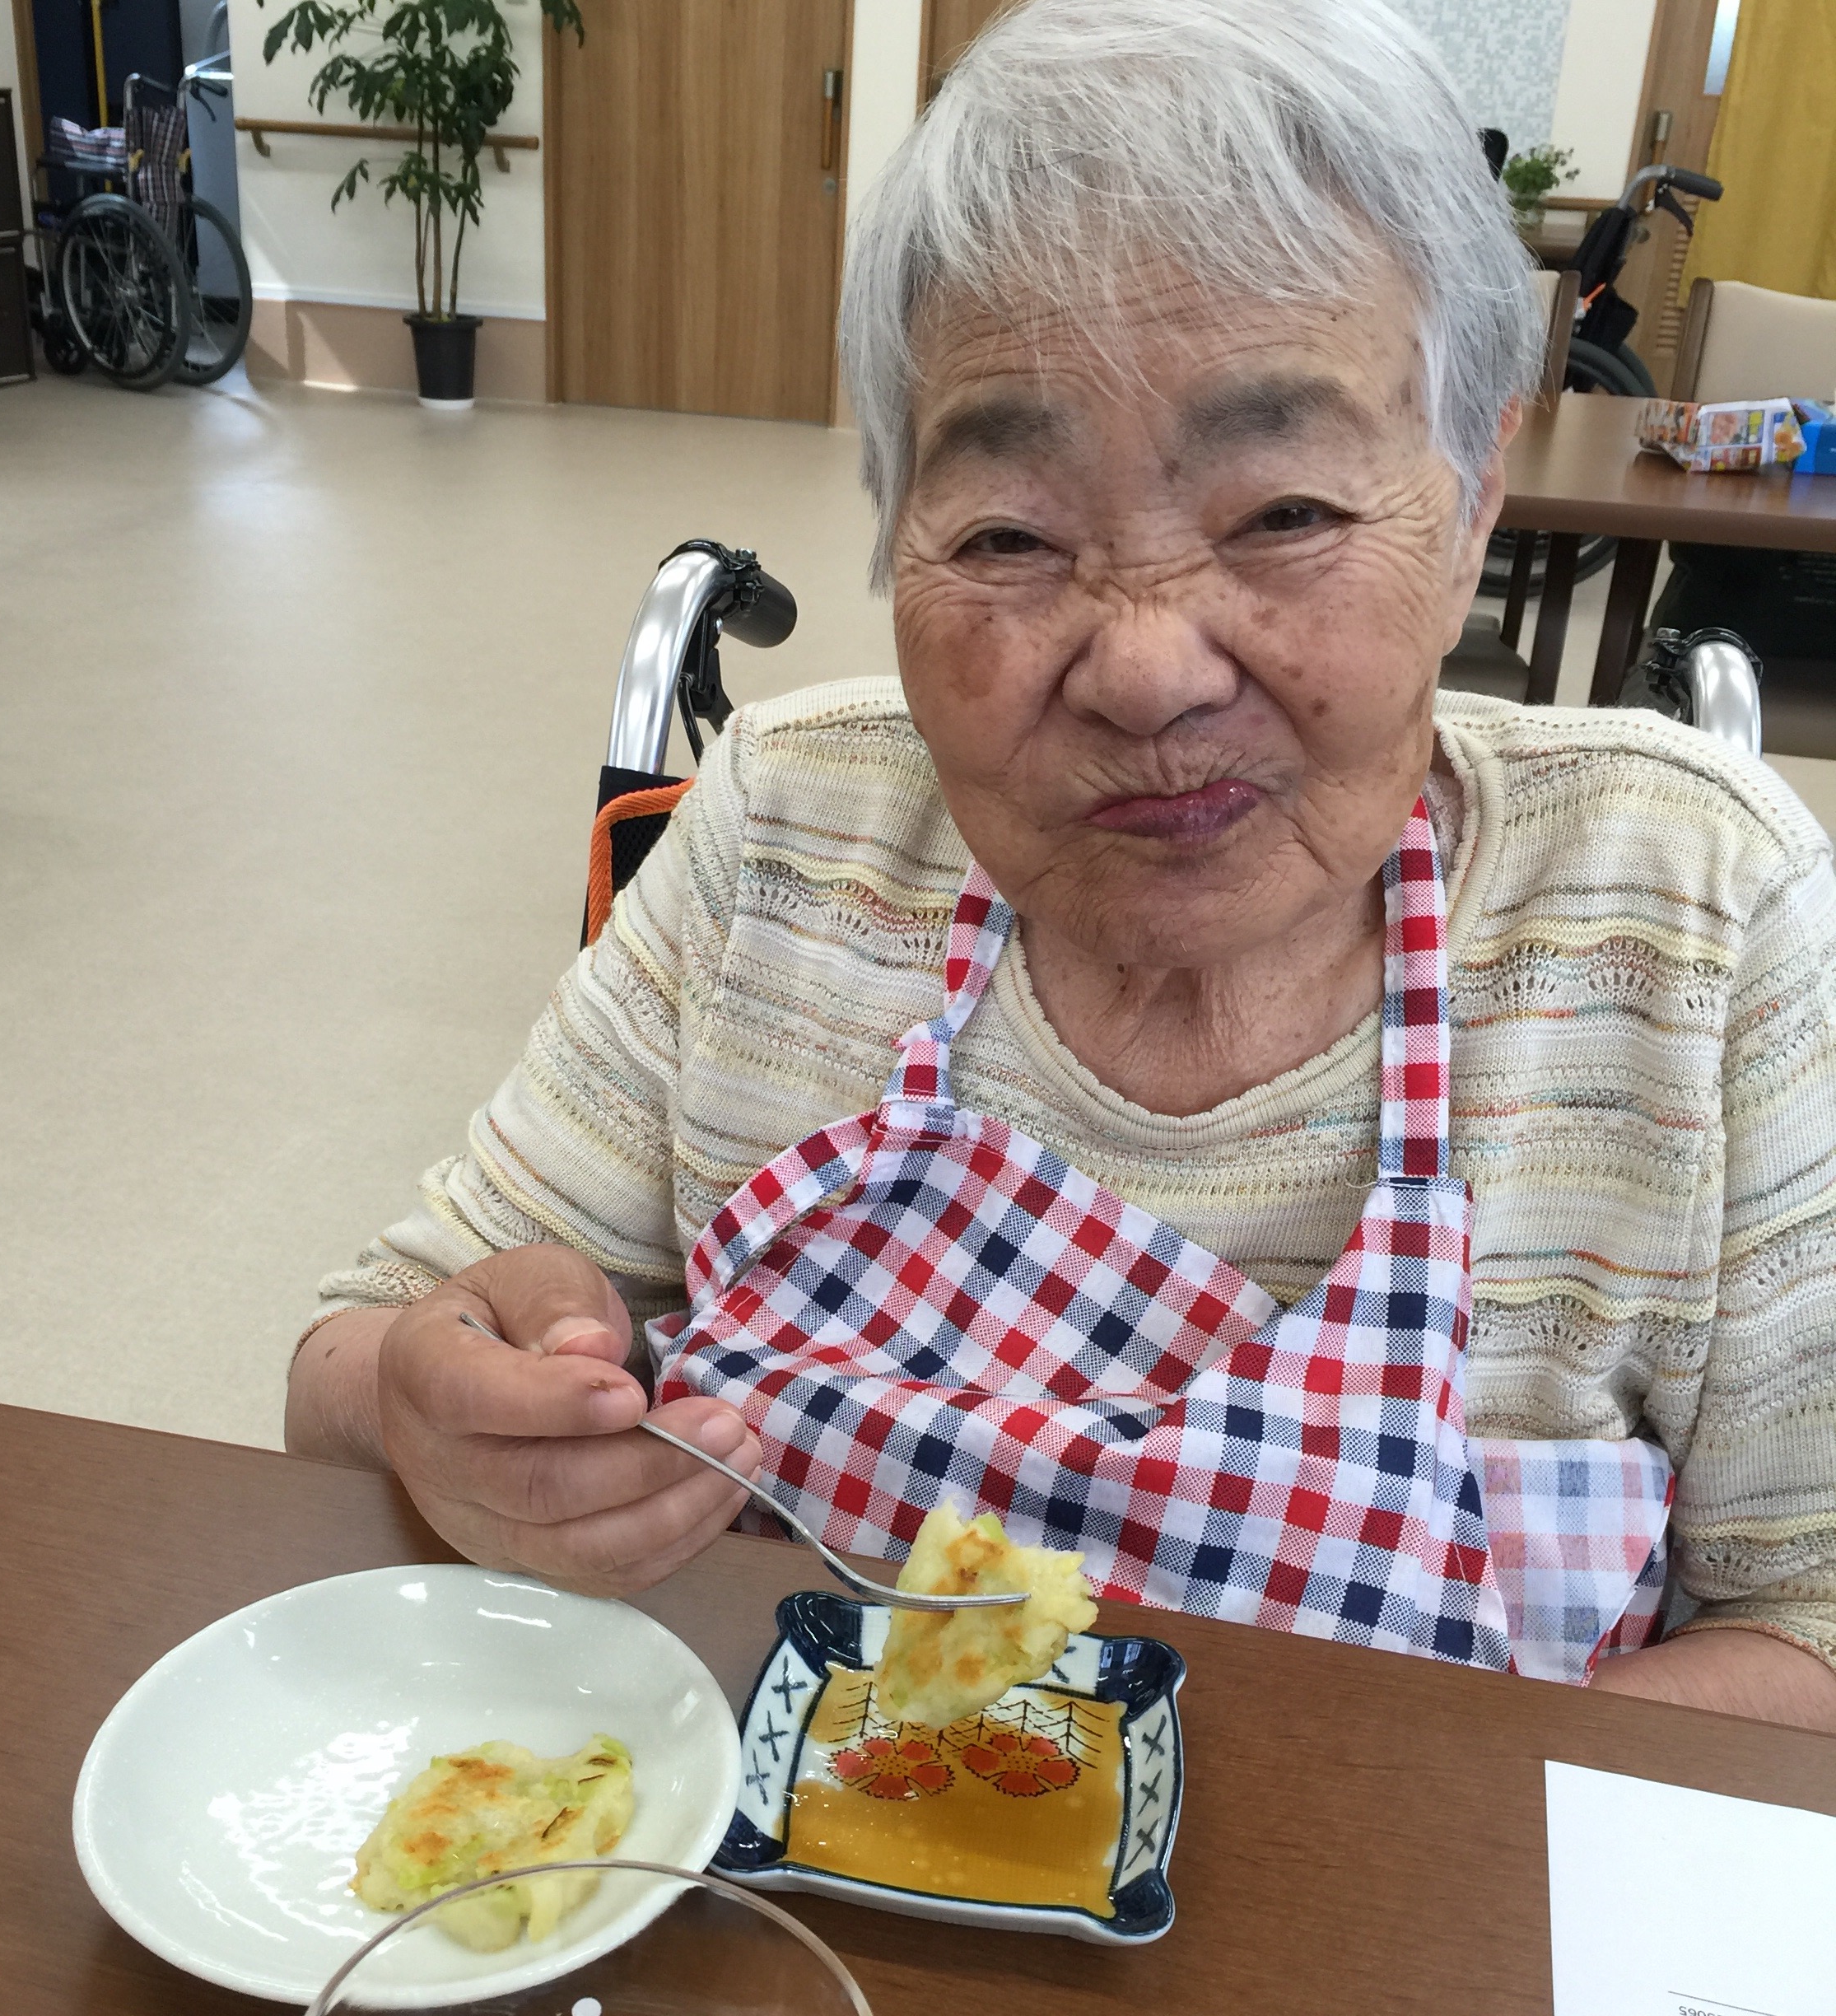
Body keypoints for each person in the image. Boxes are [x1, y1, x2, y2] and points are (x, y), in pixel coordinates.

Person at [287, 0, 1836, 1729]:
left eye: (1286, 513)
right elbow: (360, 1349)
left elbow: (1815, 1615)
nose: (1148, 668)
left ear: (1475, 497)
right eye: (1013, 535)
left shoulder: (1691, 920)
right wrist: (445, 1408)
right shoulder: (793, 832)